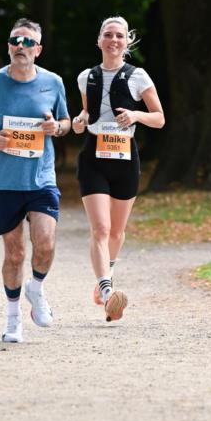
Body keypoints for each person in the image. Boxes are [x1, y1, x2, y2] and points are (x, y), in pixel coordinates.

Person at [0, 18, 70, 343]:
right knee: (14, 254)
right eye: (16, 40)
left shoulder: (53, 82)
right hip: (4, 181)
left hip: (41, 178)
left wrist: (59, 128)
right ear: (8, 45)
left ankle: (36, 290)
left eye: (28, 42)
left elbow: (66, 121)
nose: (21, 47)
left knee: (46, 242)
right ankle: (13, 319)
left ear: (38, 49)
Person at [72, 16, 164, 321]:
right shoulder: (87, 77)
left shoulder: (138, 76)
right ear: (99, 40)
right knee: (100, 228)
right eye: (108, 35)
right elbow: (88, 111)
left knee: (117, 231)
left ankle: (105, 278)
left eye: (119, 36)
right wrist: (79, 120)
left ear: (127, 42)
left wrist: (137, 116)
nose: (114, 40)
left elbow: (160, 118)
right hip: (94, 157)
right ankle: (108, 290)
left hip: (125, 157)